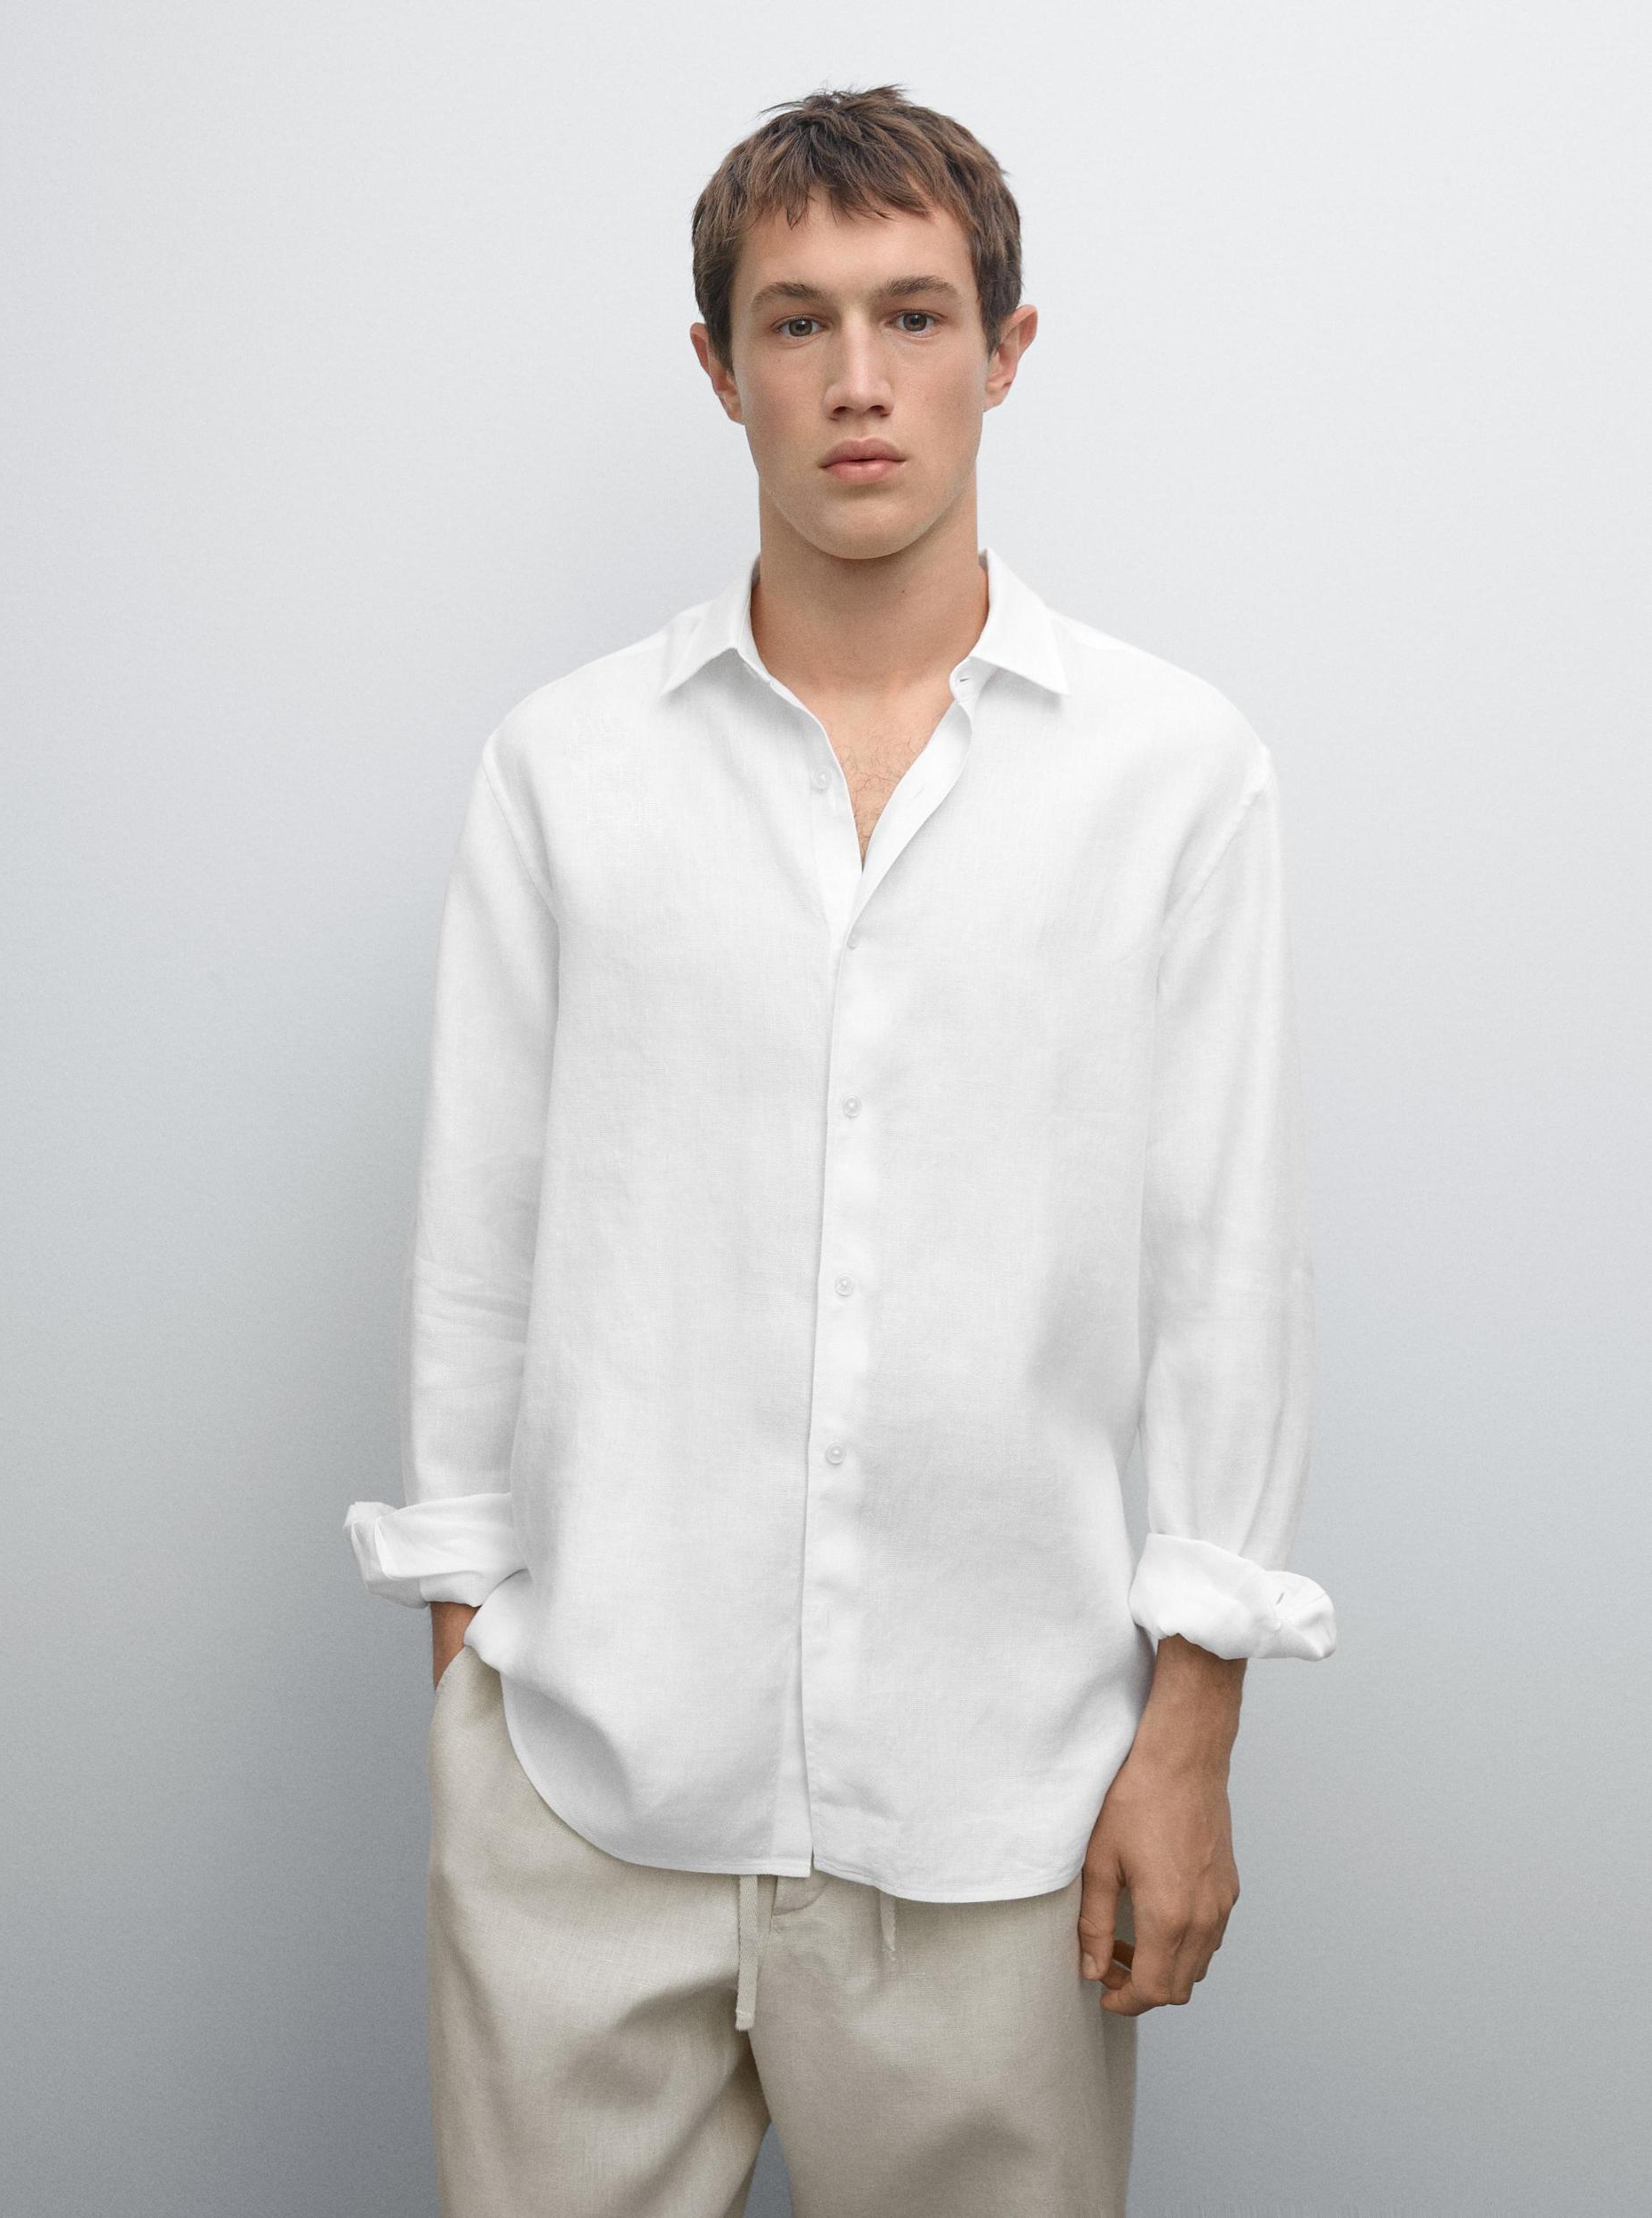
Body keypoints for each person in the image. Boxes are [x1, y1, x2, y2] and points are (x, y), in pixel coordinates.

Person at [343, 81, 1337, 2218]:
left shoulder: (1172, 775)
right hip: (587, 1785)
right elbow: (481, 1239)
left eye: (912, 314)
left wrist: (1189, 1731)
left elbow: (1221, 1265)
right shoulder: (567, 768)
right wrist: (469, 1702)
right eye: (796, 323)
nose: (858, 380)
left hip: (999, 1806)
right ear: (720, 368)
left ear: (1005, 347)